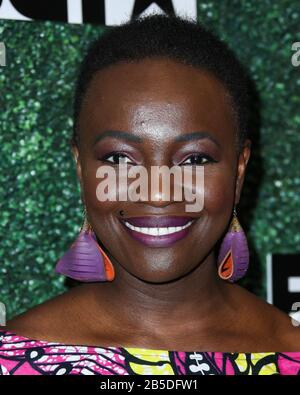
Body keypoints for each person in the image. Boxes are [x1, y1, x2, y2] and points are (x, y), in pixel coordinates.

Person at [1, 13, 300, 376]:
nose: (158, 193)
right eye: (119, 158)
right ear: (81, 169)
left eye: (194, 159)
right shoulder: (12, 358)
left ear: (238, 171)